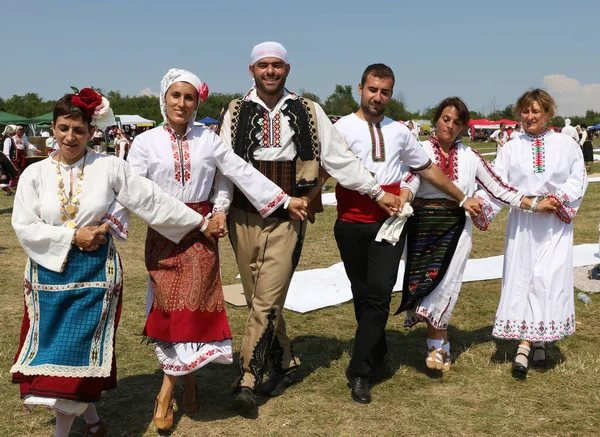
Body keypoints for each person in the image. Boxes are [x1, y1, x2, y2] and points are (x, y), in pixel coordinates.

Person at [10, 88, 223, 437]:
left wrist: (200, 223)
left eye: (79, 130)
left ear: (92, 132)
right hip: (47, 274)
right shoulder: (35, 175)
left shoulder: (109, 167)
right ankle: (93, 422)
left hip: (96, 274)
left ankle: (61, 434)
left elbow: (151, 200)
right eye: (63, 128)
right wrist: (71, 237)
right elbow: (24, 225)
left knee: (76, 352)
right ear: (52, 128)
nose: (70, 137)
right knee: (59, 352)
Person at [113, 68, 307, 430]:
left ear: (197, 102)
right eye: (175, 96)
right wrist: (106, 223)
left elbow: (234, 173)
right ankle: (185, 380)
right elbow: (131, 190)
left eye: (189, 97)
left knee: (195, 311)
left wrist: (271, 202)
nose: (182, 104)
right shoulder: (145, 143)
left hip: (203, 237)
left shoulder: (209, 138)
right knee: (171, 311)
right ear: (164, 98)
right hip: (165, 233)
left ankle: (165, 394)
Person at [215, 42, 400, 411]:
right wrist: (220, 207)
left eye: (277, 65)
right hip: (243, 215)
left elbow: (341, 160)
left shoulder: (308, 110)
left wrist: (377, 191)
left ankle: (247, 376)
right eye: (263, 65)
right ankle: (285, 359)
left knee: (266, 297)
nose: (270, 71)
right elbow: (225, 167)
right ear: (252, 70)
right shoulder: (233, 112)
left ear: (287, 69)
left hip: (290, 215)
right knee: (256, 297)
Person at [333, 69, 482, 404]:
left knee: (380, 293)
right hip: (349, 222)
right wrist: (310, 197)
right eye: (372, 89)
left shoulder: (399, 131)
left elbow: (426, 168)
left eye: (385, 92)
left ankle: (360, 371)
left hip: (389, 224)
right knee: (363, 293)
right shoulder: (340, 127)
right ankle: (377, 348)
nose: (378, 97)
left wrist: (460, 197)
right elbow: (326, 167)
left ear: (391, 94)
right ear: (360, 89)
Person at [398, 96, 556, 374]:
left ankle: (435, 346)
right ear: (436, 120)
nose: (450, 126)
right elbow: (410, 180)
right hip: (421, 228)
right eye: (446, 119)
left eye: (457, 122)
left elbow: (499, 189)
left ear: (463, 128)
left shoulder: (472, 157)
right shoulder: (420, 149)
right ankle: (441, 348)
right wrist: (403, 198)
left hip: (456, 229)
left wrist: (533, 204)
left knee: (445, 284)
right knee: (425, 284)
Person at [474, 89, 587, 379]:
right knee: (525, 278)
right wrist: (479, 206)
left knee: (547, 279)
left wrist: (557, 199)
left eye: (536, 111)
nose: (530, 116)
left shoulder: (566, 143)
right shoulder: (511, 147)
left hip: (553, 223)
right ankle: (528, 344)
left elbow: (578, 177)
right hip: (524, 222)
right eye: (525, 111)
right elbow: (498, 182)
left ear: (548, 112)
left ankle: (537, 342)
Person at [1, 125, 19, 194]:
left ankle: (8, 191)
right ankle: (7, 190)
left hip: (5, 160)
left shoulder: (9, 138)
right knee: (5, 175)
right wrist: (9, 162)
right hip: (5, 160)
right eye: (15, 130)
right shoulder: (8, 139)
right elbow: (6, 152)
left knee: (6, 176)